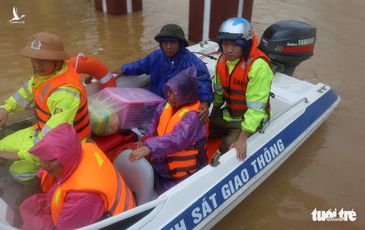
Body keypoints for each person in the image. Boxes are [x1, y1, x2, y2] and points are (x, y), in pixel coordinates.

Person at [0, 32, 90, 182]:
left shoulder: (66, 93)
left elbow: (53, 136)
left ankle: (46, 179)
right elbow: (26, 91)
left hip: (64, 145)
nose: (37, 64)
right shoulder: (43, 76)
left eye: (43, 60)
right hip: (40, 130)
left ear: (58, 60)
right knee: (1, 147)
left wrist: (20, 155)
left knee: (17, 171)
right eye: (34, 59)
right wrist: (6, 109)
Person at [19, 123, 135, 230]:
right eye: (44, 158)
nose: (44, 165)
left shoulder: (83, 196)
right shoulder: (83, 149)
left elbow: (63, 228)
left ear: (66, 156)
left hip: (116, 224)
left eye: (51, 159)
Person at [129, 66, 208, 194]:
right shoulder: (165, 105)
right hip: (161, 163)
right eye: (170, 92)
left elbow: (178, 140)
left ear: (187, 94)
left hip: (182, 175)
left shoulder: (193, 116)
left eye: (176, 94)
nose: (171, 97)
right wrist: (144, 140)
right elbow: (153, 126)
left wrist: (149, 148)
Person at [113, 23, 213, 122]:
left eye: (173, 43)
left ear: (180, 43)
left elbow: (203, 81)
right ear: (161, 44)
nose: (168, 47)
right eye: (165, 42)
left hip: (174, 104)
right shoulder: (157, 56)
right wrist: (123, 69)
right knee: (123, 115)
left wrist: (205, 102)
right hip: (153, 98)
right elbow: (140, 65)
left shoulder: (193, 63)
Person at [209, 17, 273, 161]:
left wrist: (242, 138)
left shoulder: (258, 67)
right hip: (230, 113)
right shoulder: (221, 61)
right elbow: (219, 92)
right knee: (202, 130)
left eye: (235, 45)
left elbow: (256, 109)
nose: (229, 50)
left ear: (246, 44)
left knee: (227, 148)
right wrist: (212, 116)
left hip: (250, 120)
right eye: (225, 44)